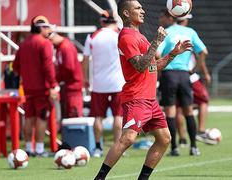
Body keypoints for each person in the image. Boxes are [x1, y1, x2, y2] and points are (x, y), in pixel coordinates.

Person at [93, 0, 192, 179]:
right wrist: (156, 42)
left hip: (150, 99)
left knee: (164, 138)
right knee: (128, 139)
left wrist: (173, 54)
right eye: (138, 8)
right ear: (126, 13)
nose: (143, 11)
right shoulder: (126, 37)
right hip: (136, 97)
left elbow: (153, 66)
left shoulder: (140, 36)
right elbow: (140, 66)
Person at [156, 9, 209, 156]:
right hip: (184, 75)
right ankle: (193, 147)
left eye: (161, 16)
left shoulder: (165, 33)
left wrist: (158, 68)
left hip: (168, 75)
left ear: (169, 17)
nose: (160, 19)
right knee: (188, 111)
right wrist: (194, 69)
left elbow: (157, 54)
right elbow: (203, 52)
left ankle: (174, 148)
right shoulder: (190, 32)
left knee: (170, 112)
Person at [13, 15, 59, 157]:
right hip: (42, 88)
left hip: (28, 87)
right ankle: (39, 149)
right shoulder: (44, 43)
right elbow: (48, 67)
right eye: (47, 27)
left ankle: (28, 148)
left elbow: (15, 66)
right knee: (41, 118)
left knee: (28, 117)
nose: (49, 30)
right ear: (41, 28)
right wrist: (53, 85)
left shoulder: (24, 44)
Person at [82, 10, 125, 157]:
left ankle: (98, 148)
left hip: (99, 83)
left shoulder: (92, 37)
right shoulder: (120, 35)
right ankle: (118, 148)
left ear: (102, 22)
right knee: (118, 116)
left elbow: (85, 59)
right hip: (119, 83)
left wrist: (85, 79)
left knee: (98, 117)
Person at [173, 14, 215, 146]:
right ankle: (201, 131)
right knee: (203, 100)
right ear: (184, 20)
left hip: (172, 76)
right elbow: (201, 53)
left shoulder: (168, 32)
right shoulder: (188, 33)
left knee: (178, 108)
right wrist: (204, 72)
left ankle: (183, 139)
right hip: (190, 76)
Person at [49, 32, 83, 118]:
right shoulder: (60, 48)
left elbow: (69, 68)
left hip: (73, 86)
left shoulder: (66, 47)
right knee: (68, 113)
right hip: (68, 86)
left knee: (74, 114)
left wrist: (58, 78)